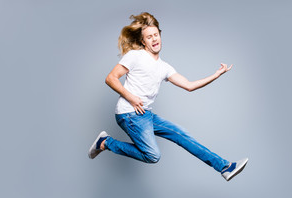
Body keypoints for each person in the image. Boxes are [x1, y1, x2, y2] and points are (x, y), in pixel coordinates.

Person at [88, 12, 248, 181]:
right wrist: (131, 97)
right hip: (128, 113)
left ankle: (224, 167)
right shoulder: (135, 56)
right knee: (153, 155)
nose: (154, 39)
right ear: (143, 41)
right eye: (149, 37)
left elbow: (189, 85)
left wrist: (216, 75)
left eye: (156, 35)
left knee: (181, 134)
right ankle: (106, 142)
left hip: (145, 114)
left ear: (160, 35)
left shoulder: (164, 67)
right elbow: (110, 78)